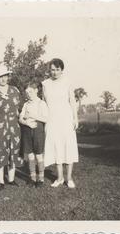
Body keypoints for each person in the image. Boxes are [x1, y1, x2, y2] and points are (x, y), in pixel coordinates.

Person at [42, 58, 79, 188]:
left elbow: (73, 102)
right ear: (49, 70)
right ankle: (59, 178)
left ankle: (69, 179)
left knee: (68, 147)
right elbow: (43, 104)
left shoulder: (68, 82)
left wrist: (75, 118)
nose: (55, 72)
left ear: (62, 70)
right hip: (52, 120)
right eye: (52, 70)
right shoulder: (45, 84)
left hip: (66, 119)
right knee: (56, 148)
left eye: (57, 69)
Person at [19, 82, 48, 188]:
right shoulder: (26, 104)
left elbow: (46, 118)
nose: (28, 94)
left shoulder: (41, 103)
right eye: (27, 92)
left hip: (38, 131)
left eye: (30, 92)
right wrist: (26, 122)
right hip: (27, 131)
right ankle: (32, 178)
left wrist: (33, 116)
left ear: (36, 91)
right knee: (30, 155)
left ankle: (41, 178)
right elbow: (20, 118)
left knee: (39, 155)